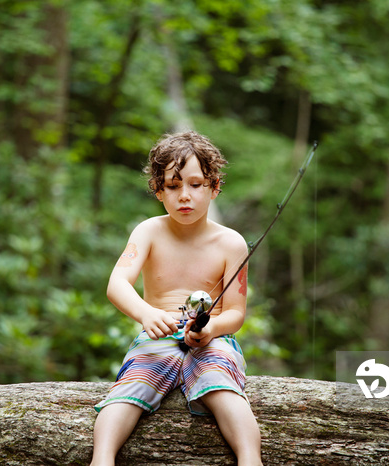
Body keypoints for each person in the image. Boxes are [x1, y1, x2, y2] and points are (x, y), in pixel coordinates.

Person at [91, 131, 262, 466]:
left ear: (214, 187)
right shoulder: (148, 232)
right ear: (158, 190)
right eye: (173, 185)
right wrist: (146, 314)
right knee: (129, 391)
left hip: (210, 338)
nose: (185, 195)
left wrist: (210, 329)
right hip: (157, 335)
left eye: (196, 185)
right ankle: (102, 458)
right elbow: (117, 284)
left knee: (222, 386)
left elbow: (236, 314)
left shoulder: (232, 244)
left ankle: (250, 457)